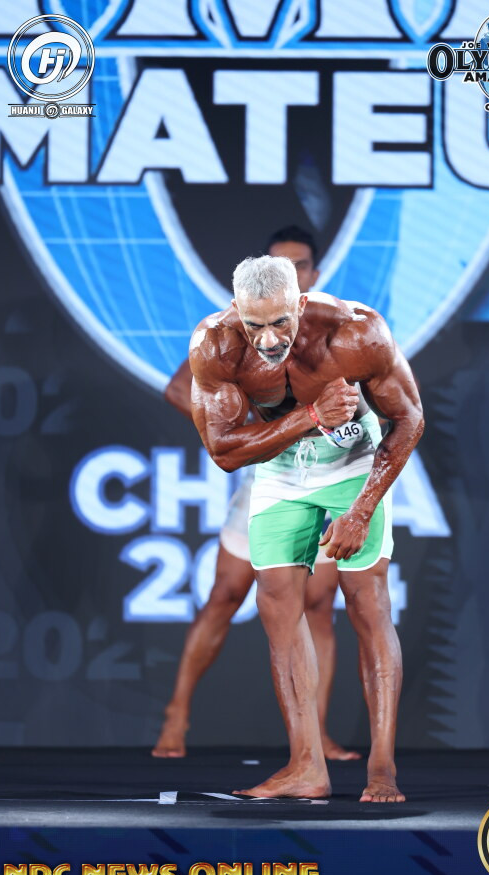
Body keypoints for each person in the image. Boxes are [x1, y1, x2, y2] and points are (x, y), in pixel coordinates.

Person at [189, 256, 424, 802]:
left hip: (354, 461)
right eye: (255, 325)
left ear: (300, 302)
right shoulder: (215, 345)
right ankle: (306, 767)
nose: (269, 339)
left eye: (280, 322)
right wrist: (311, 417)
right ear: (236, 311)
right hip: (280, 465)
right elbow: (223, 452)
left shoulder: (356, 332)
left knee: (367, 601)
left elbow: (409, 418)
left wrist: (361, 510)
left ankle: (382, 769)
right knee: (276, 603)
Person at [152, 227, 360, 762]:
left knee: (319, 606)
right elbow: (180, 388)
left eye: (300, 265)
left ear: (313, 272)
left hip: (327, 476)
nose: (290, 273)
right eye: (279, 264)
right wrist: (250, 428)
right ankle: (177, 714)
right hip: (268, 474)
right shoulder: (238, 329)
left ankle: (316, 737)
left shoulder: (336, 325)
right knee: (226, 594)